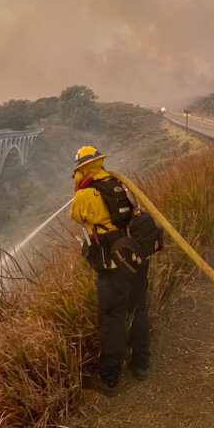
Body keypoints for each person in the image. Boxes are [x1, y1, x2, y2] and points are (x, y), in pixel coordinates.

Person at [69, 145, 151, 397]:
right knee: (138, 310)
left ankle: (109, 379)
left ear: (81, 170)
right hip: (136, 260)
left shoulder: (86, 194)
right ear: (100, 163)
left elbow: (76, 216)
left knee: (111, 320)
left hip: (113, 267)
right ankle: (140, 365)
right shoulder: (119, 184)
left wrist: (80, 187)